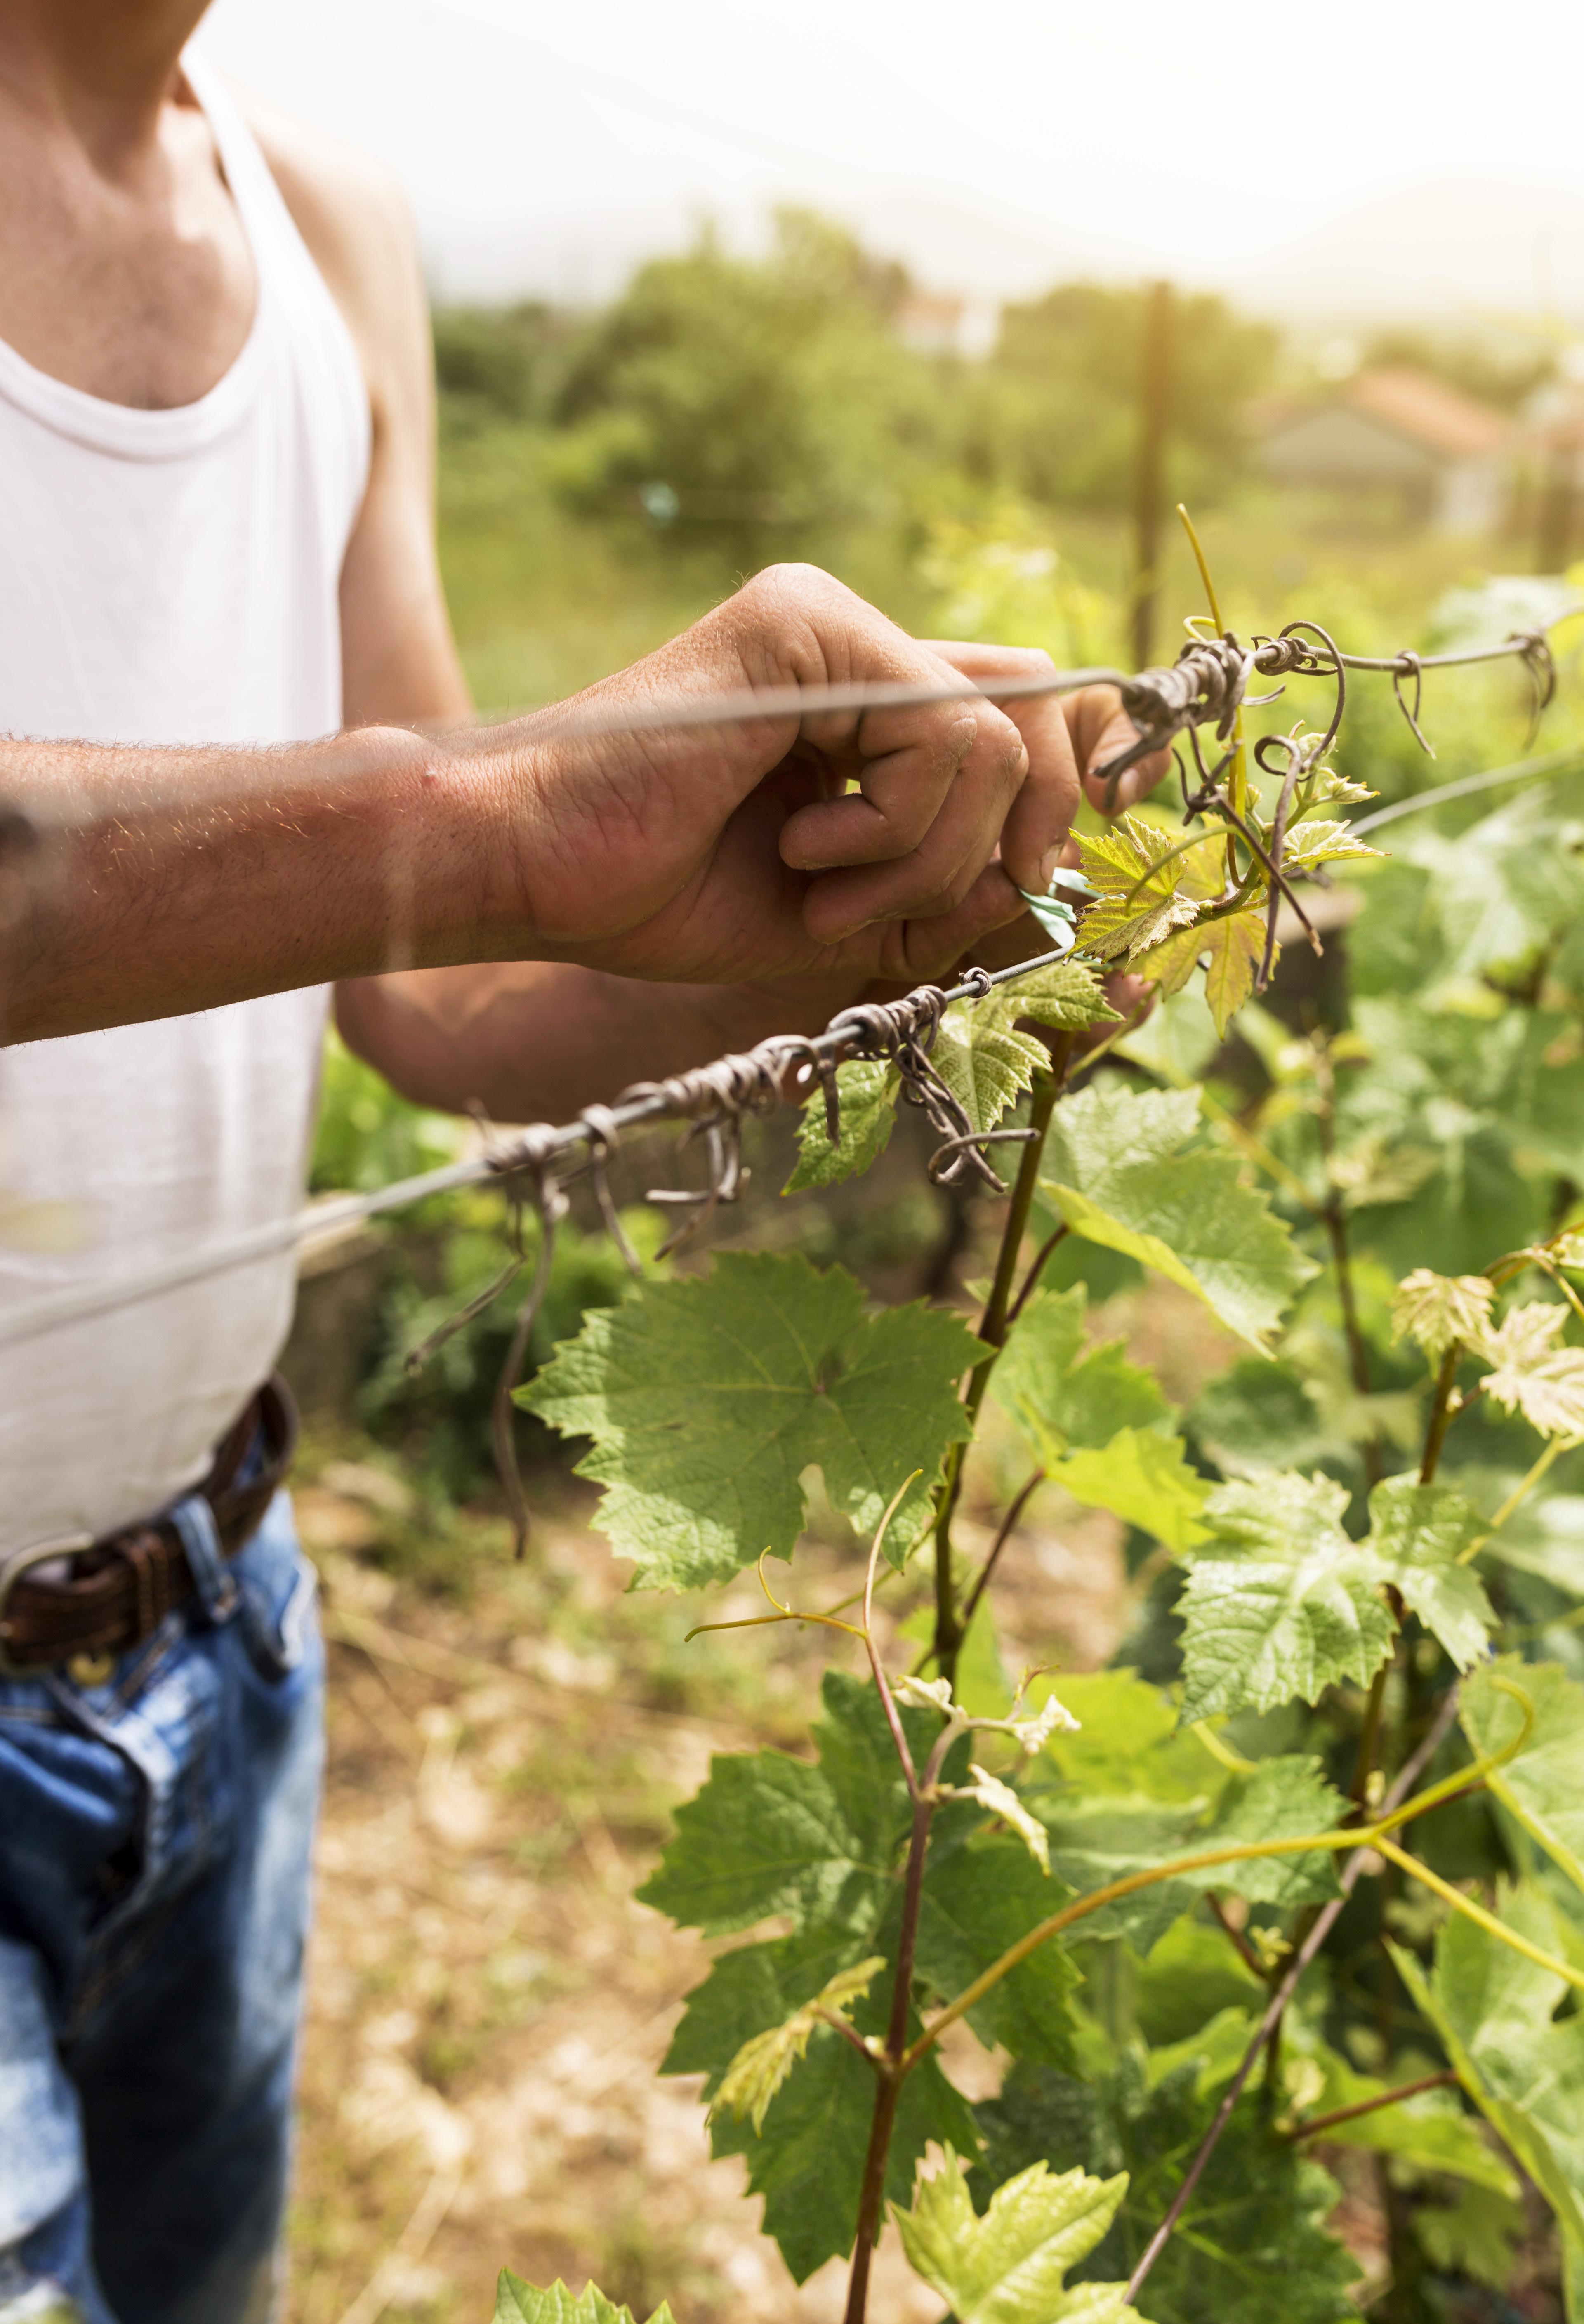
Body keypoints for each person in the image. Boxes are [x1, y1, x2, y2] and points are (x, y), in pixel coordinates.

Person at [0, 5, 1163, 2318]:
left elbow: (427, 982)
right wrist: (496, 810)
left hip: (225, 1619)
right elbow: (453, 839)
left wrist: (841, 928)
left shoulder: (328, 230)